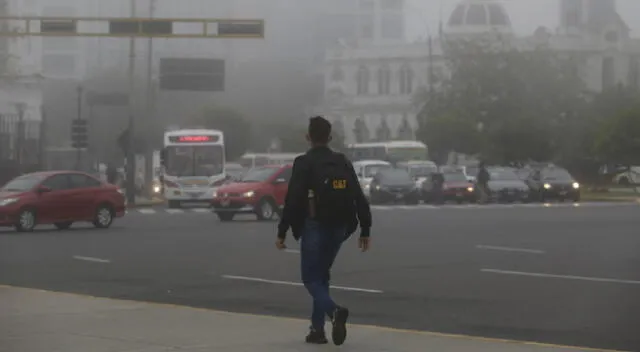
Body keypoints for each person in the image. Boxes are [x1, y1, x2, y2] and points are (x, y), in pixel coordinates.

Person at [276, 116, 372, 346]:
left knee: (310, 278)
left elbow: (293, 199)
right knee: (321, 275)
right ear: (330, 137)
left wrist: (282, 230)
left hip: (315, 223)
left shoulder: (304, 162)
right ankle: (317, 330)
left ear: (308, 137)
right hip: (340, 226)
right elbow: (358, 195)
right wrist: (365, 229)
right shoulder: (342, 161)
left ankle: (334, 311)